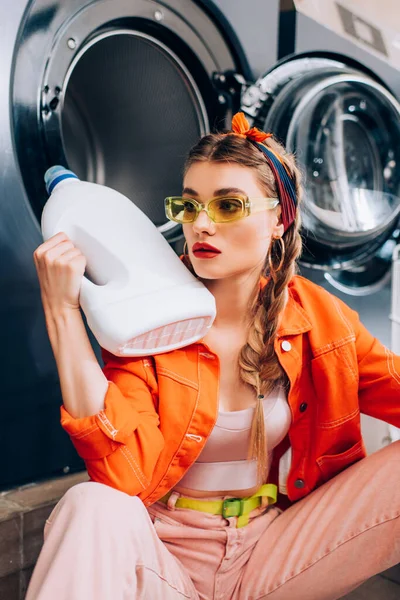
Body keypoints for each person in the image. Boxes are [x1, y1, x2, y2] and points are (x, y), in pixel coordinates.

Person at [27, 113, 400, 600]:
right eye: (190, 205)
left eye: (228, 205)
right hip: (164, 557)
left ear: (278, 221)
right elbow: (125, 476)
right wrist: (62, 311)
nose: (200, 225)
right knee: (92, 503)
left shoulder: (320, 319)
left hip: (273, 554)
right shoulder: (152, 313)